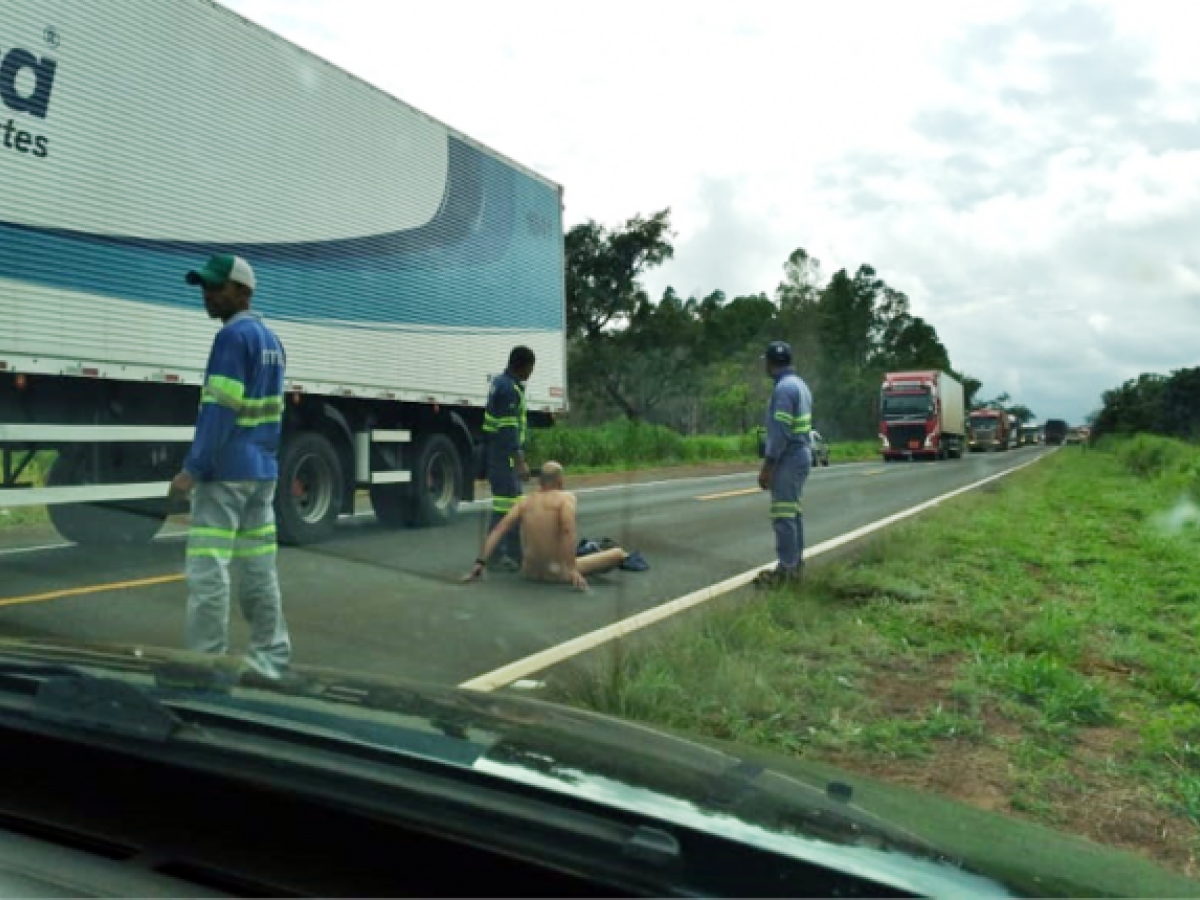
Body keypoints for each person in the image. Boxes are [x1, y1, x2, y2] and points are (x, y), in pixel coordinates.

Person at [169, 254, 292, 677]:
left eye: (216, 286)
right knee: (259, 567)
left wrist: (193, 468)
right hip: (261, 473)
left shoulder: (231, 339)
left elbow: (220, 408)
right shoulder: (273, 341)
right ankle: (270, 659)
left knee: (208, 570)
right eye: (205, 286)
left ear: (243, 291)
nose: (208, 294)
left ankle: (206, 663)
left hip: (224, 473)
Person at [462, 462, 627, 590]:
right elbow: (568, 530)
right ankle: (571, 566)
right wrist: (571, 569)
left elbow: (499, 530)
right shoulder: (565, 498)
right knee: (618, 554)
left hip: (529, 572)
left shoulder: (525, 502)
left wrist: (480, 563)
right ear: (560, 480)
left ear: (540, 481)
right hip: (557, 573)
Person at [755, 340, 814, 588]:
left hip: (788, 457)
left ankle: (787, 570)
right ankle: (794, 565)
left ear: (770, 363)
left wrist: (768, 466)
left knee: (783, 515)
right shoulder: (800, 385)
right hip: (801, 453)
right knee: (792, 512)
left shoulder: (783, 390)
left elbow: (780, 431)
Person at [482, 346, 535, 570]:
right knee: (508, 509)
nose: (531, 373)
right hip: (505, 459)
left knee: (509, 507)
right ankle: (502, 556)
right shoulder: (509, 389)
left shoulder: (500, 383)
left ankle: (510, 555)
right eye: (531, 368)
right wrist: (520, 461)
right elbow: (509, 429)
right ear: (523, 365)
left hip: (497, 455)